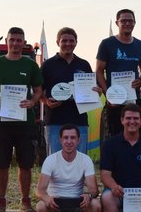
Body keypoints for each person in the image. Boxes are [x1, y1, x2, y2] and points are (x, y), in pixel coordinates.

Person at [0, 27, 43, 212]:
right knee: (2, 164)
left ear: (24, 43)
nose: (15, 43)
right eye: (12, 40)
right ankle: (0, 201)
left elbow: (38, 90)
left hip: (25, 123)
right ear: (7, 41)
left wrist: (32, 101)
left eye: (19, 40)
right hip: (2, 122)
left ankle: (25, 201)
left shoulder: (30, 65)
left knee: (26, 164)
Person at [35, 124, 101, 212]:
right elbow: (39, 190)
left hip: (77, 204)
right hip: (56, 204)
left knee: (95, 204)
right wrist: (47, 198)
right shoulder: (51, 160)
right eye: (66, 137)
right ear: (60, 140)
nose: (69, 141)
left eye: (73, 138)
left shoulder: (85, 160)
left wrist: (89, 195)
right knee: (40, 206)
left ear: (79, 141)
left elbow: (94, 190)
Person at [41, 27, 99, 155]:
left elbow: (91, 89)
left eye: (71, 41)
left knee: (79, 161)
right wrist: (46, 101)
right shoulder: (48, 65)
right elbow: (38, 91)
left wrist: (96, 93)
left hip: (79, 120)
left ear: (76, 42)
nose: (68, 44)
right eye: (64, 41)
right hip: (55, 120)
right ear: (57, 42)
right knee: (55, 161)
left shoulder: (84, 64)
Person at [96, 9, 141, 136]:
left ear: (135, 23)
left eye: (130, 21)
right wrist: (107, 93)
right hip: (114, 100)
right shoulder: (107, 44)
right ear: (117, 23)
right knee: (114, 136)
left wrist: (140, 80)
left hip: (132, 99)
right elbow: (99, 71)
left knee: (134, 134)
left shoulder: (139, 45)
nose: (127, 23)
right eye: (124, 21)